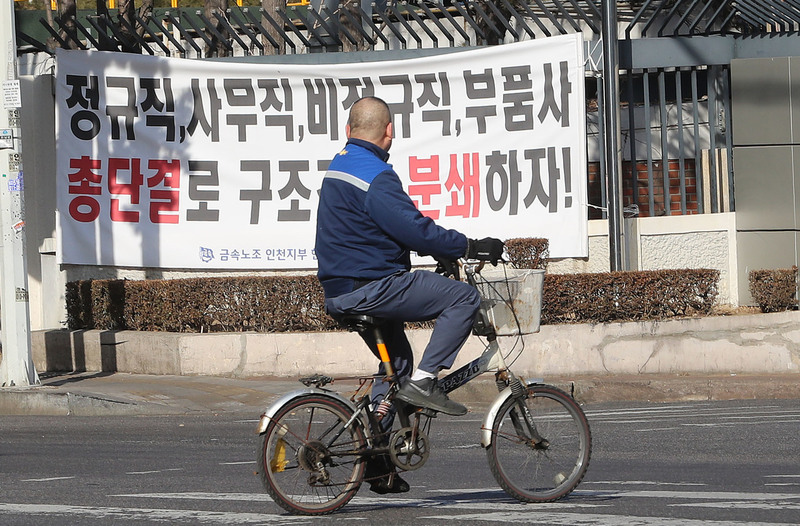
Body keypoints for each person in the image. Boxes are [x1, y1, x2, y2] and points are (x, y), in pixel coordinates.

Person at [314, 96, 504, 493]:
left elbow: (383, 229)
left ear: (348, 130)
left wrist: (435, 250)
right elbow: (413, 228)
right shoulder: (376, 175)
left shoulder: (339, 166)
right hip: (373, 287)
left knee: (395, 367)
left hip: (341, 292)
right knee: (462, 299)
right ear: (389, 133)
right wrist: (467, 246)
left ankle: (379, 465)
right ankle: (426, 382)